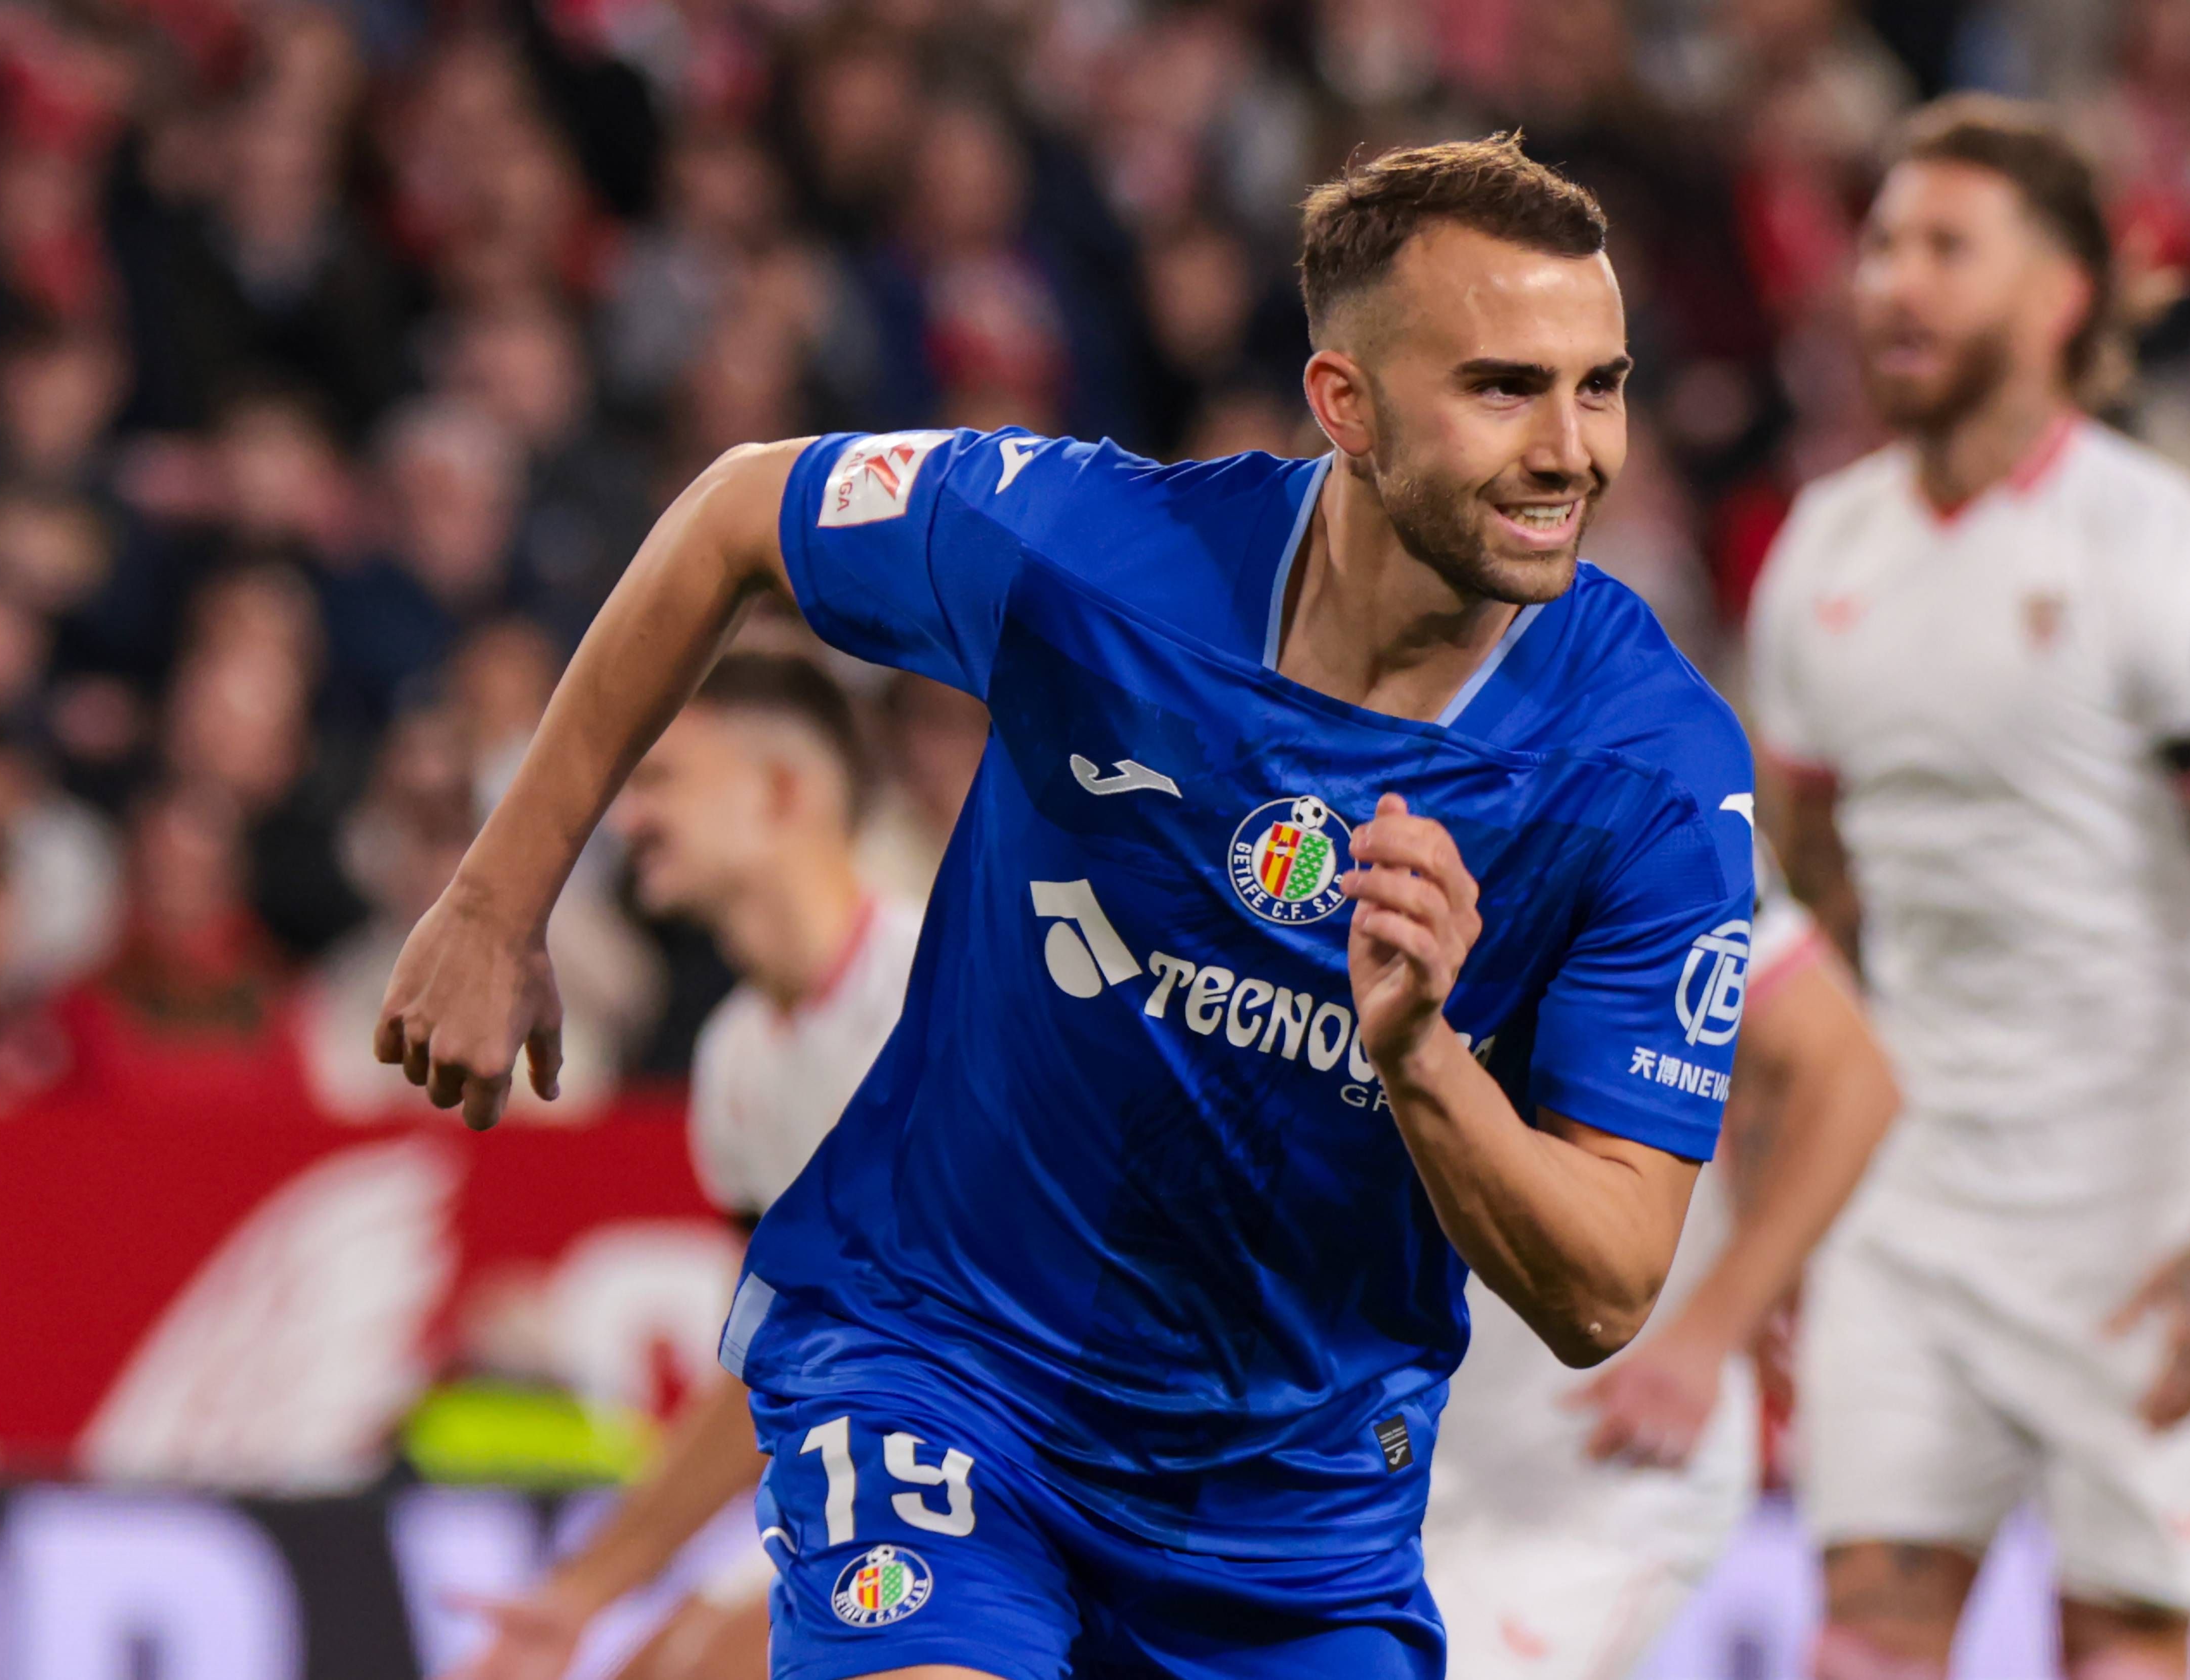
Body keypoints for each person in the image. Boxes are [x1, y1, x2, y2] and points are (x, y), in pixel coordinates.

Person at [376, 134, 1757, 1680]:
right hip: (952, 1380)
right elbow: (734, 512)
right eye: (1506, 388)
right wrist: (497, 902)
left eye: (1601, 386)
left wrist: (1425, 1055)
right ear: (1346, 403)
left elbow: (1607, 1284)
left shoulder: (1652, 772)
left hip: (1291, 1518)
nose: (1572, 449)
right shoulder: (1098, 558)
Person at [1746, 97, 2190, 1680]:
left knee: (2124, 1646)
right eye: (1880, 245)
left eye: (1947, 247)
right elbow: (1808, 907)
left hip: (2136, 1207)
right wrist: (1771, 1197)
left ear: (2063, 293)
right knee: (1861, 1637)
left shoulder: (2178, 561)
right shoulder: (1820, 557)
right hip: (1908, 1198)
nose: (1892, 282)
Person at [447, 650, 923, 1679]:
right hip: (873, 1493)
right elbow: (769, 1369)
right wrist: (579, 1592)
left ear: (781, 792)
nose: (630, 818)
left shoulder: (937, 997)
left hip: (1035, 1501)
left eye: (662, 779)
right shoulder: (734, 1059)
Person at [1424, 844, 1896, 1678]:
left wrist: (1706, 1335)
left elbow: (1851, 1074)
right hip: (1378, 1446)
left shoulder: (1662, 800)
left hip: (1578, 1466)